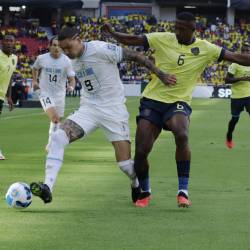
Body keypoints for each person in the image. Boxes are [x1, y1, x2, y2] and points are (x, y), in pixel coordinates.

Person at [102, 12, 250, 208]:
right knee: (141, 151)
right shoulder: (162, 38)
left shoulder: (207, 48)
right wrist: (113, 33)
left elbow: (236, 56)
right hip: (152, 100)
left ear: (193, 30)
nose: (177, 31)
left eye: (182, 28)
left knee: (181, 133)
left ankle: (183, 191)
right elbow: (133, 39)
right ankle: (145, 191)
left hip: (179, 102)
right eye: (176, 27)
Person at [29, 26, 176, 204]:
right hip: (88, 109)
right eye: (63, 49)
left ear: (78, 39)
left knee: (125, 165)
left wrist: (160, 74)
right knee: (58, 138)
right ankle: (47, 187)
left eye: (68, 47)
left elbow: (135, 56)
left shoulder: (100, 49)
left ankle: (136, 182)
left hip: (113, 110)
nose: (66, 52)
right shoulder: (70, 60)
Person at [32, 37, 76, 151]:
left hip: (60, 95)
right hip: (45, 92)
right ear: (49, 46)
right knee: (55, 118)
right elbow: (35, 68)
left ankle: (51, 143)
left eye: (59, 46)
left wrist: (71, 86)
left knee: (57, 121)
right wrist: (35, 81)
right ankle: (52, 145)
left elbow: (72, 79)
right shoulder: (42, 58)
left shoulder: (66, 61)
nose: (57, 48)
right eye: (55, 45)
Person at [225, 43, 250, 149]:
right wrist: (242, 78)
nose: (245, 53)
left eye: (247, 51)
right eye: (243, 51)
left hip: (249, 96)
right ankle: (229, 137)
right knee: (234, 119)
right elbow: (227, 80)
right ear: (241, 52)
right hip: (237, 97)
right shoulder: (235, 64)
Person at [0, 35, 18, 160]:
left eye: (11, 41)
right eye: (6, 41)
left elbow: (10, 76)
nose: (8, 43)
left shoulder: (14, 58)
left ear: (14, 43)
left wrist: (9, 96)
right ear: (2, 42)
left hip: (1, 96)